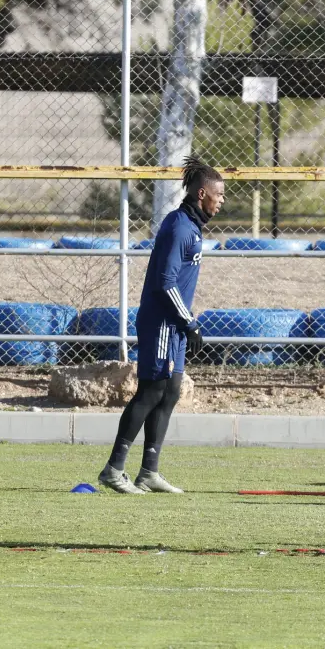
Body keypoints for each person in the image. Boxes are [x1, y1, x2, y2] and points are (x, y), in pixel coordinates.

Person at [97, 157, 224, 494]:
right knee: (151, 391)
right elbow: (165, 283)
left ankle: (149, 472)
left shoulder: (191, 226)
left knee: (170, 392)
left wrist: (186, 323)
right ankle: (113, 469)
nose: (222, 201)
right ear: (202, 194)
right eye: (219, 195)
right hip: (163, 323)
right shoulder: (180, 227)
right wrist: (189, 322)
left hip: (175, 325)